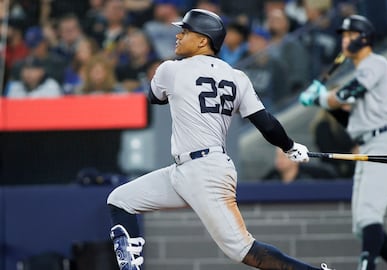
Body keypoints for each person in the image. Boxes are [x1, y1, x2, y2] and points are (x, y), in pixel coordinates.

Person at [106, 9, 333, 270]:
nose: (178, 36)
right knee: (120, 200)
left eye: (185, 31)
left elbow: (154, 97)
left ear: (203, 40)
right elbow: (265, 123)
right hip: (185, 170)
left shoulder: (171, 69)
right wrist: (290, 147)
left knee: (245, 251)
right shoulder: (237, 77)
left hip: (205, 171)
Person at [299, 15, 387, 270]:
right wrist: (319, 102)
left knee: (370, 215)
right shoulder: (362, 69)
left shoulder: (375, 63)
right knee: (362, 225)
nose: (344, 41)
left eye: (350, 36)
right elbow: (351, 122)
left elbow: (350, 92)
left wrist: (323, 98)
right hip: (370, 143)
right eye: (343, 36)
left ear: (364, 38)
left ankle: (366, 266)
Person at [263, 147, 337, 183]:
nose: (279, 160)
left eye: (283, 156)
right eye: (277, 156)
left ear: (296, 158)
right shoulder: (271, 179)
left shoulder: (309, 179)